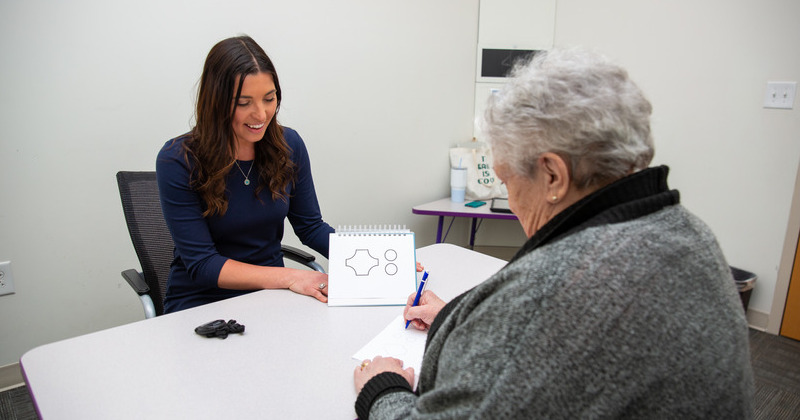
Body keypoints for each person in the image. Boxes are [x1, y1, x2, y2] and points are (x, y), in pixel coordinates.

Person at [353, 48, 754, 419]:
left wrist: (381, 388)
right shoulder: (689, 233)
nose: (509, 200)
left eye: (506, 180)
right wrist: (457, 320)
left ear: (552, 175)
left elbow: (548, 320)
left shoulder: (552, 294)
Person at [156, 35, 334, 313]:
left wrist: (373, 260)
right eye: (244, 102)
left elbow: (311, 227)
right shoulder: (178, 160)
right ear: (216, 101)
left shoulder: (289, 145)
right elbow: (203, 263)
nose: (261, 114)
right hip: (201, 303)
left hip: (272, 298)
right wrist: (293, 277)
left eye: (269, 98)